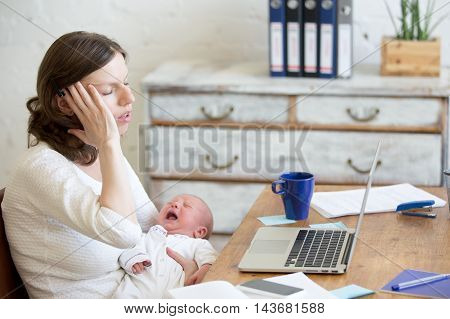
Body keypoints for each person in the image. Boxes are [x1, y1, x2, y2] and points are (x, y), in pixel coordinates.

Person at [2, 31, 205, 298]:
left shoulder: (98, 153)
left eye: (125, 83)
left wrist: (191, 266)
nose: (129, 98)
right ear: (64, 102)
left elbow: (150, 228)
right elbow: (126, 234)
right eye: (109, 90)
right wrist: (109, 144)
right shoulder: (40, 167)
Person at [116, 194, 218, 298]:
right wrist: (132, 259)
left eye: (186, 205)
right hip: (135, 294)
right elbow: (125, 250)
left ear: (199, 231)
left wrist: (206, 268)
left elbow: (210, 257)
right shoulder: (146, 237)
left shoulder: (197, 244)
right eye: (170, 202)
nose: (175, 204)